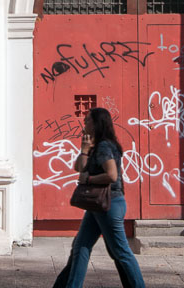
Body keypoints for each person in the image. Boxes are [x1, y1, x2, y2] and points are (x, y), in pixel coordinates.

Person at [60, 107, 146, 288]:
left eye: (88, 120)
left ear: (98, 123)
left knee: (121, 251)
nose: (84, 123)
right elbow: (79, 168)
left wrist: (89, 179)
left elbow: (112, 175)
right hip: (97, 206)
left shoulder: (105, 146)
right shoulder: (94, 146)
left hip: (109, 203)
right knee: (81, 247)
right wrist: (84, 150)